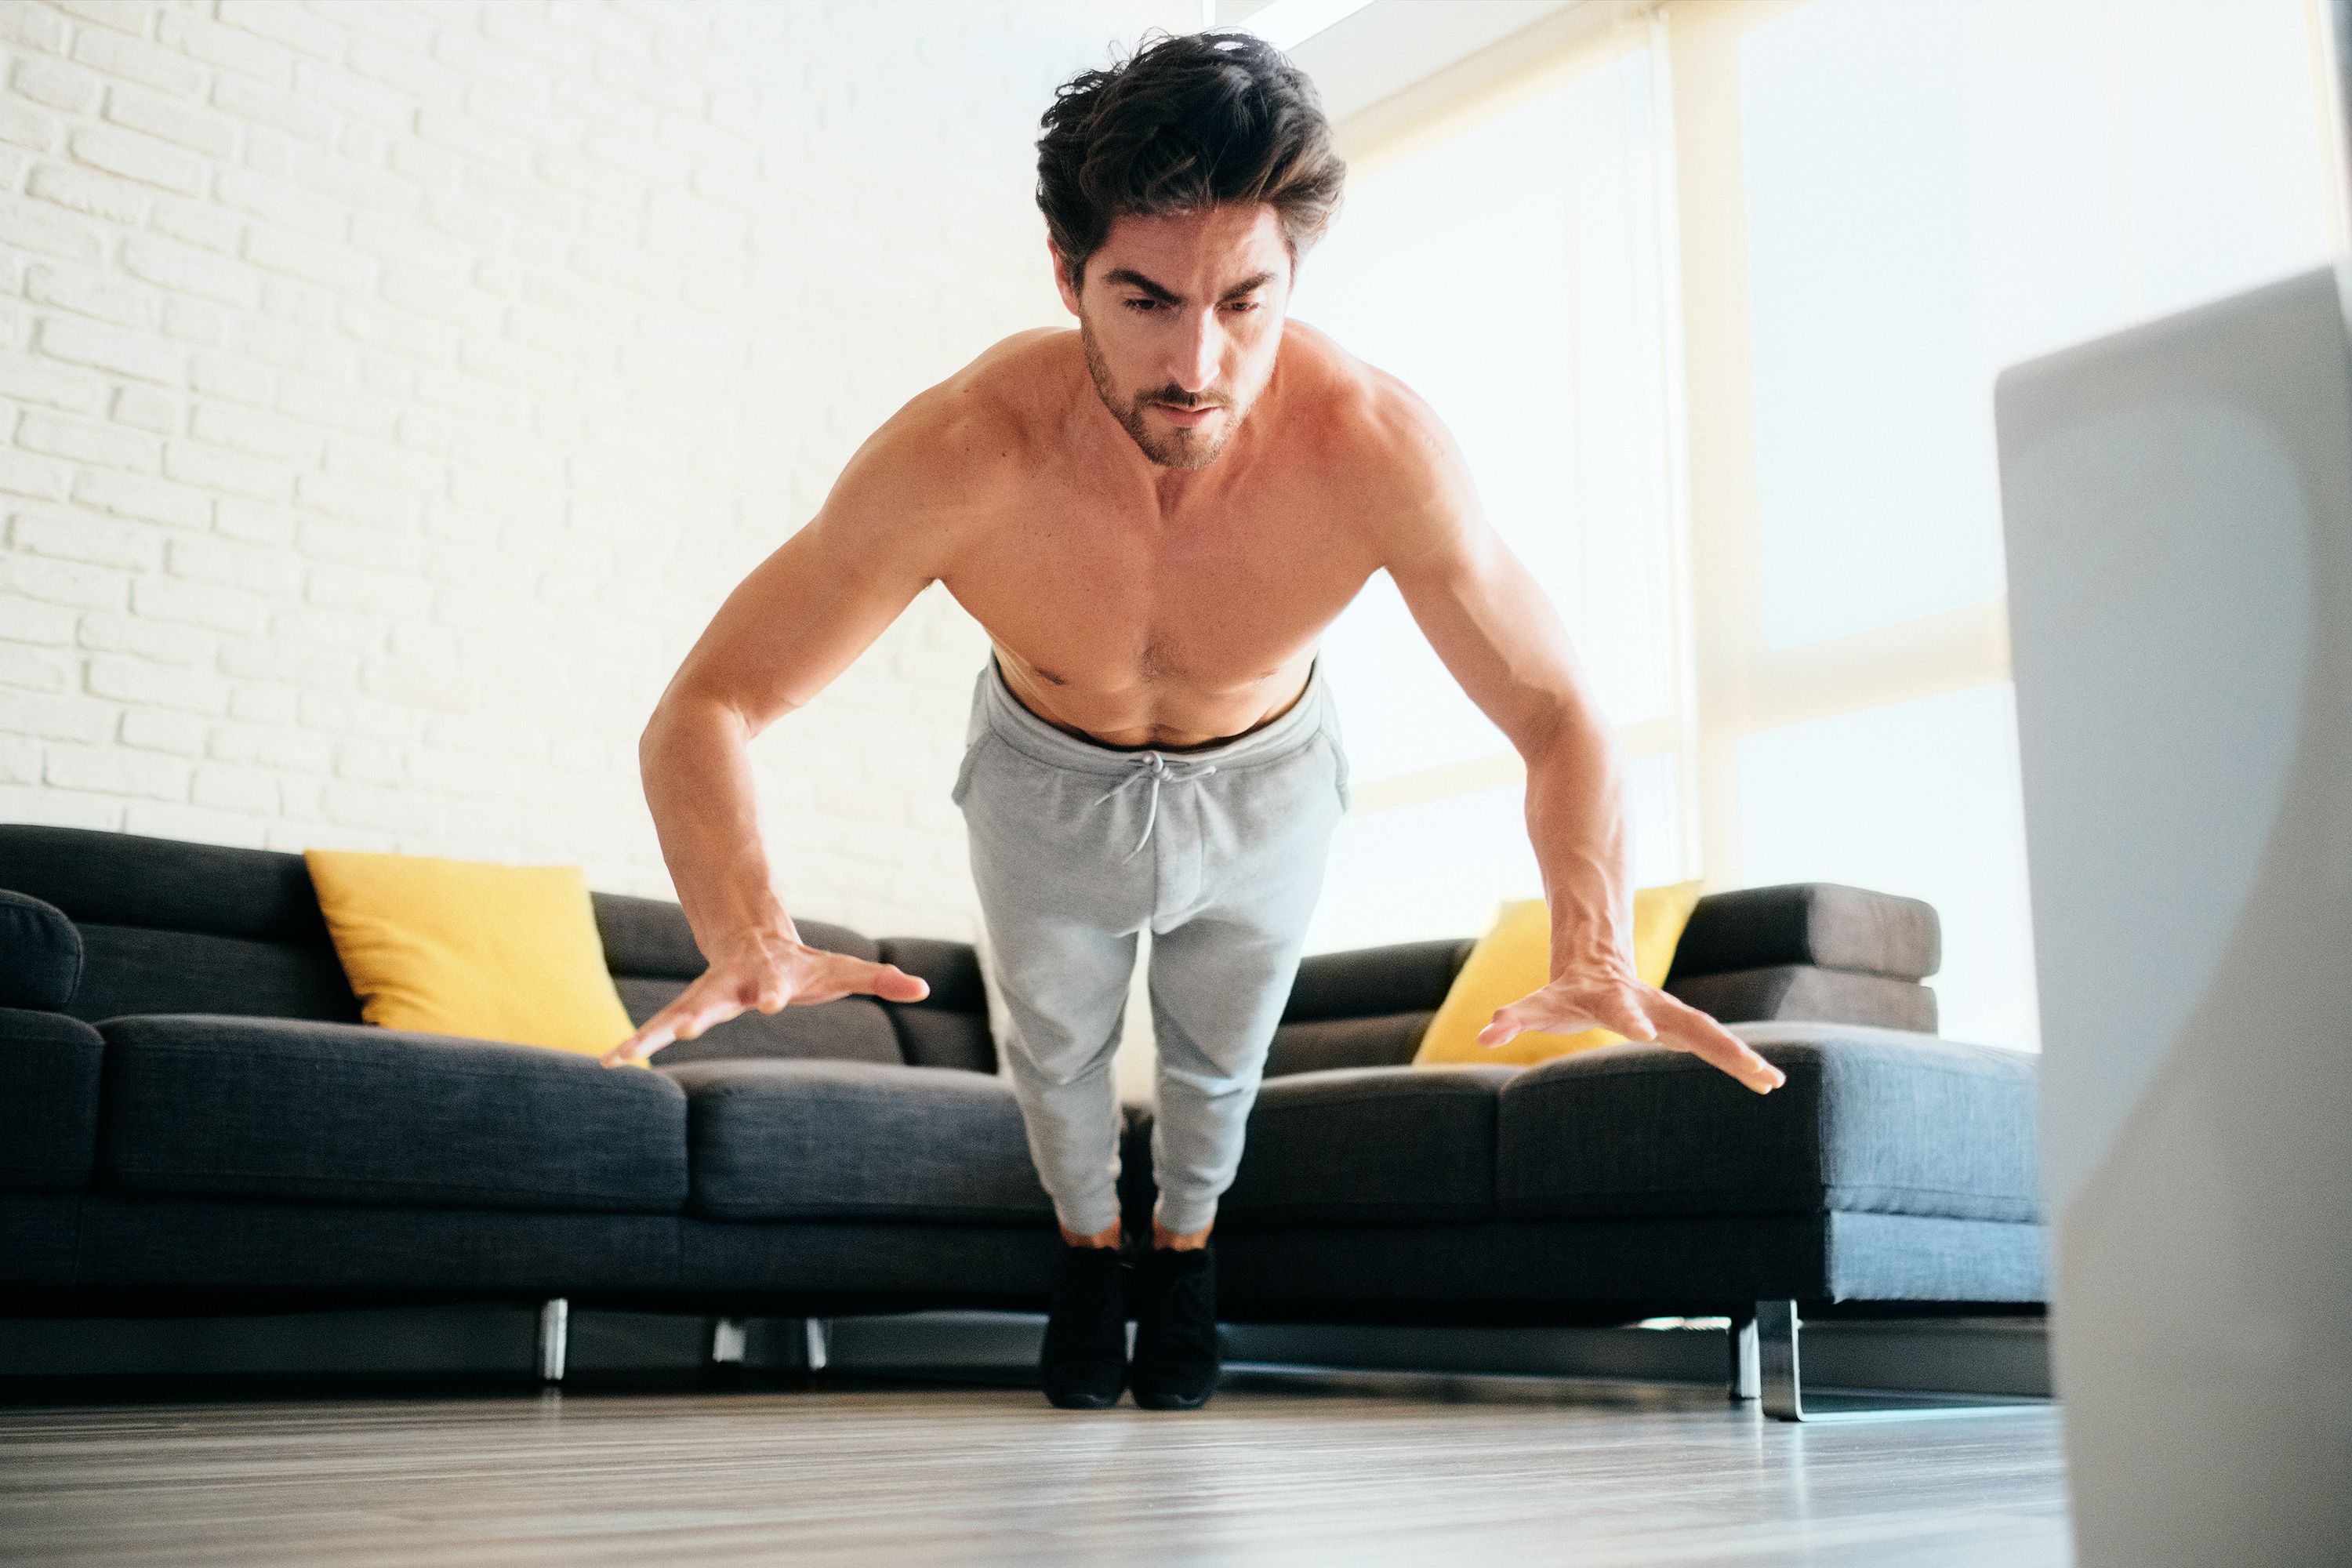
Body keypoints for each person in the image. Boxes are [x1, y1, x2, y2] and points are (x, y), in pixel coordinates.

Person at [601, 29, 1785, 1413]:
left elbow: (1554, 709)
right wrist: (744, 931)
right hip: (1045, 784)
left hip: (1267, 787)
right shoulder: (963, 451)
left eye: (1245, 302)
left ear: (1295, 277)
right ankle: (1088, 1252)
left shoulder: (1375, 448)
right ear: (1068, 275)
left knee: (1220, 1068)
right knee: (1058, 1061)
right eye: (1147, 298)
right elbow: (711, 701)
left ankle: (1186, 1255)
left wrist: (1593, 939)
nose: (1199, 360)